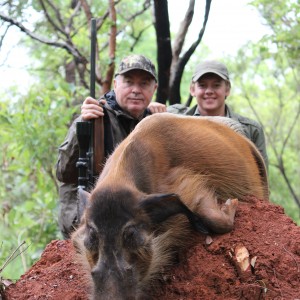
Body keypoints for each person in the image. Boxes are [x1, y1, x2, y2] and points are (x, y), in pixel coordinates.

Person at [56, 54, 166, 239]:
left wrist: (163, 116)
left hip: (129, 217)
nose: (136, 90)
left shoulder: (153, 121)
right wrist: (81, 126)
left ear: (154, 89)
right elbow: (62, 172)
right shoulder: (95, 116)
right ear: (115, 85)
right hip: (88, 222)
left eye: (144, 84)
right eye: (129, 82)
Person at [167, 60, 268, 167]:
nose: (209, 91)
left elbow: (261, 178)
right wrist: (150, 107)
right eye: (202, 85)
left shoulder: (251, 130)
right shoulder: (176, 121)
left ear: (227, 89)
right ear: (192, 89)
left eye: (216, 85)